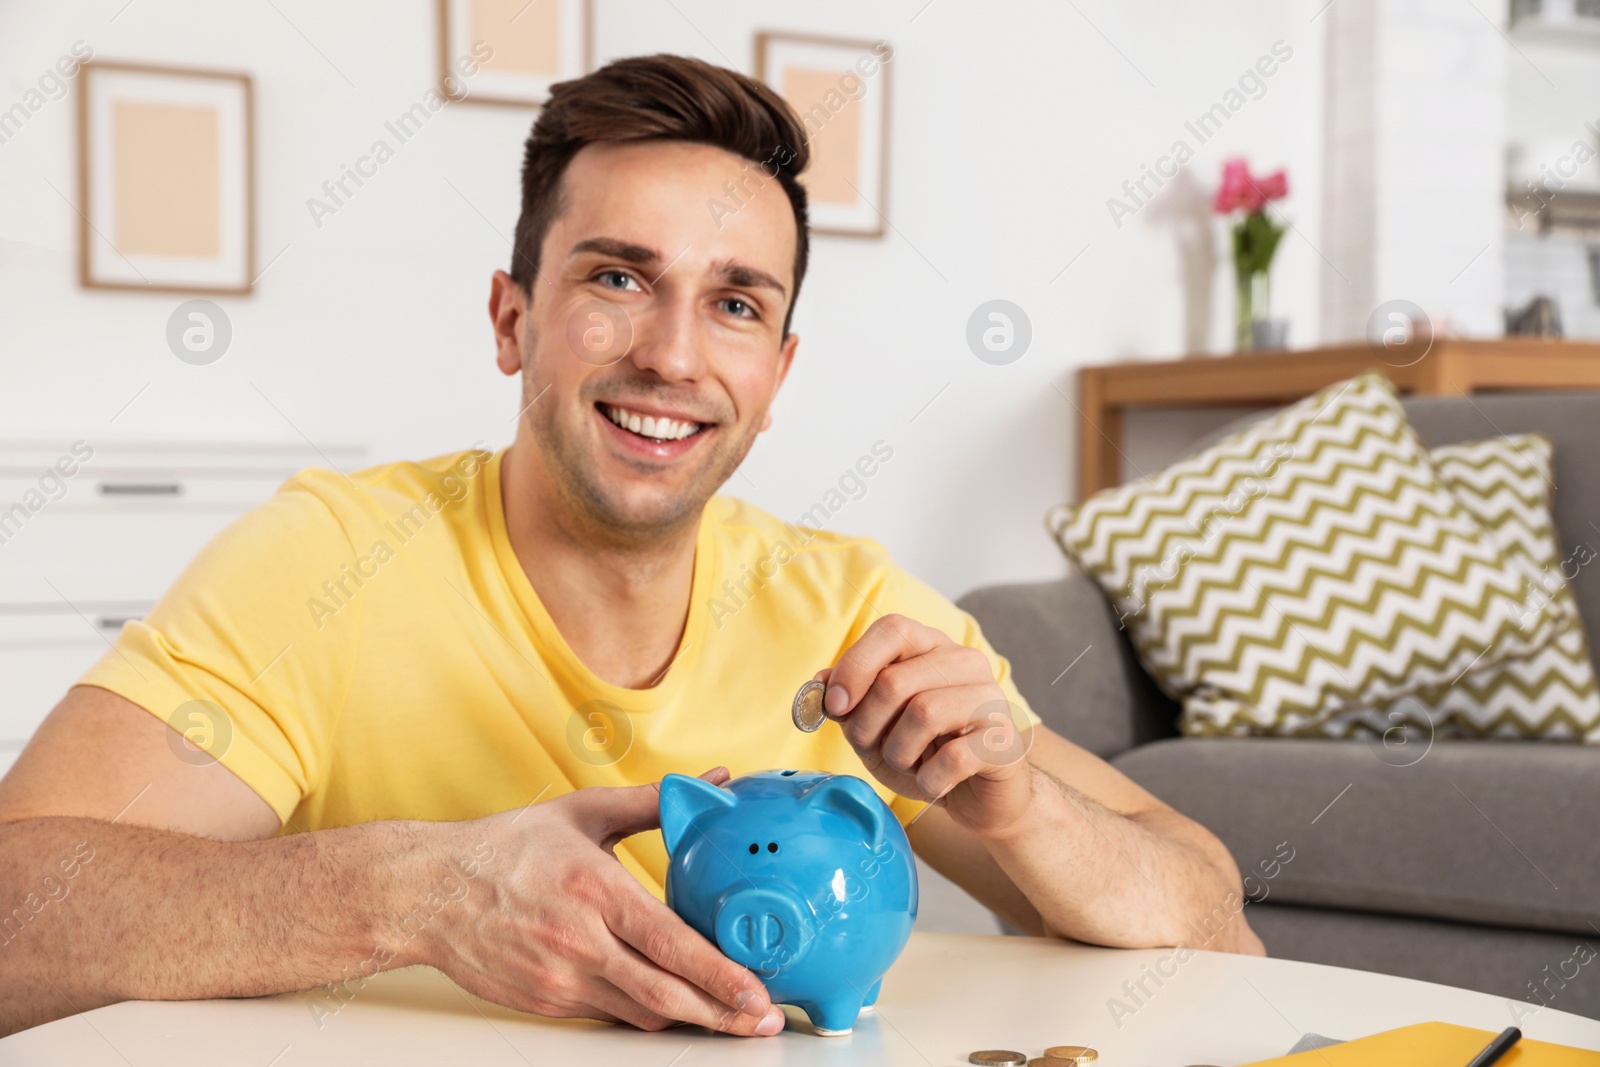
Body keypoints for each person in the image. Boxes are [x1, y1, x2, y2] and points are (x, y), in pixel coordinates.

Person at [0, 53, 1262, 1038]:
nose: (670, 352)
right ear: (512, 319)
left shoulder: (849, 607)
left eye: (733, 303)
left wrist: (1026, 807)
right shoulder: (325, 561)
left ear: (775, 374)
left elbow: (1216, 930)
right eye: (615, 278)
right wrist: (417, 891)